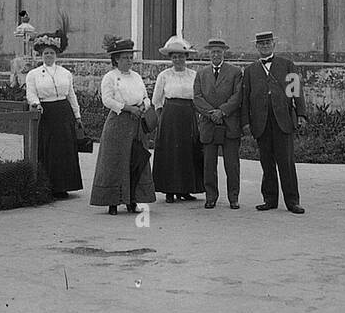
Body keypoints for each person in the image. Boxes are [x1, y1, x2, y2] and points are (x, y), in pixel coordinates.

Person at [241, 31, 308, 214]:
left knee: (286, 162)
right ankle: (269, 200)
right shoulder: (250, 71)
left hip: (283, 120)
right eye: (261, 44)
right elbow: (245, 99)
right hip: (261, 123)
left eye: (268, 43)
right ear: (256, 47)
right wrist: (246, 122)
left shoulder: (287, 65)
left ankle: (292, 201)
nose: (265, 46)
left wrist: (301, 114)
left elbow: (296, 91)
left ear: (274, 44)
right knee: (266, 163)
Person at [89, 39, 156, 214]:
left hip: (136, 124)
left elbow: (146, 97)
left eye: (130, 57)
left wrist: (143, 106)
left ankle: (133, 200)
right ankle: (113, 202)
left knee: (136, 160)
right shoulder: (110, 77)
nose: (129, 61)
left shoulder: (136, 76)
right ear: (116, 60)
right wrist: (128, 108)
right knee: (115, 162)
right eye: (125, 58)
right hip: (118, 123)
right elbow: (107, 100)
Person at [25, 33, 84, 197]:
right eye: (46, 53)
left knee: (65, 149)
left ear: (56, 54)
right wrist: (36, 104)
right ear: (41, 55)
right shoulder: (34, 74)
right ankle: (49, 186)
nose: (49, 56)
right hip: (47, 113)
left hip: (64, 112)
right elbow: (31, 94)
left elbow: (71, 94)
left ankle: (65, 186)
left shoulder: (65, 73)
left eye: (51, 53)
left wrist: (77, 115)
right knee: (50, 149)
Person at [151, 35, 203, 203]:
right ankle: (169, 190)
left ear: (186, 57)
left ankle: (186, 189)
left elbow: (198, 97)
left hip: (188, 115)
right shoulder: (164, 76)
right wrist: (161, 119)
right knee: (170, 153)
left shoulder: (194, 75)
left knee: (188, 152)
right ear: (170, 58)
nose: (178, 59)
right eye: (174, 56)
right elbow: (156, 100)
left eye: (181, 56)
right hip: (170, 116)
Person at [193, 37, 243, 209]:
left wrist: (222, 111)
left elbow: (237, 97)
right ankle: (211, 196)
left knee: (232, 164)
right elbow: (197, 97)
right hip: (208, 124)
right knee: (209, 164)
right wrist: (211, 113)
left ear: (224, 53)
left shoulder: (235, 72)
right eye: (213, 51)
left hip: (229, 123)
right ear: (208, 53)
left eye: (219, 52)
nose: (216, 54)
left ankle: (233, 197)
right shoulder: (201, 73)